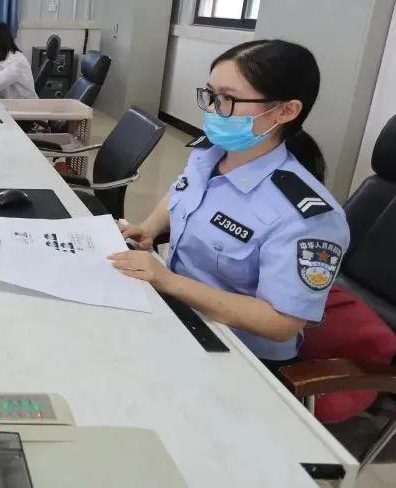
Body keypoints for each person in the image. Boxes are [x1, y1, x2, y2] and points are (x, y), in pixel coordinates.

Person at [108, 40, 349, 370]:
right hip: (178, 313)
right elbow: (182, 191)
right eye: (210, 95)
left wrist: (168, 281)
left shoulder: (306, 216)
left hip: (240, 355)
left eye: (227, 100)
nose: (211, 109)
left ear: (286, 111)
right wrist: (148, 228)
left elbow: (281, 323)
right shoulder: (210, 153)